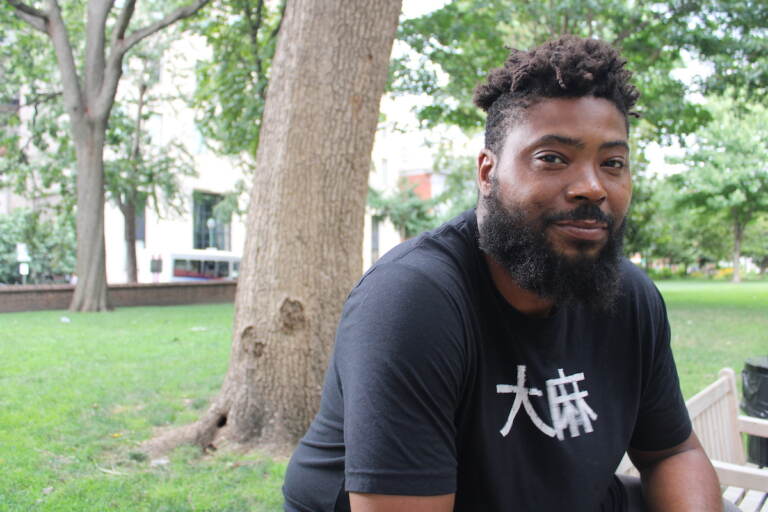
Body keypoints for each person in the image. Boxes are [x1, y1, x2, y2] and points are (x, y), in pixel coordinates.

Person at [283, 35, 729, 511]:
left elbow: (672, 452)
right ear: (487, 172)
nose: (592, 187)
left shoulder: (630, 297)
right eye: (553, 158)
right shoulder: (411, 303)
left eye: (612, 163)